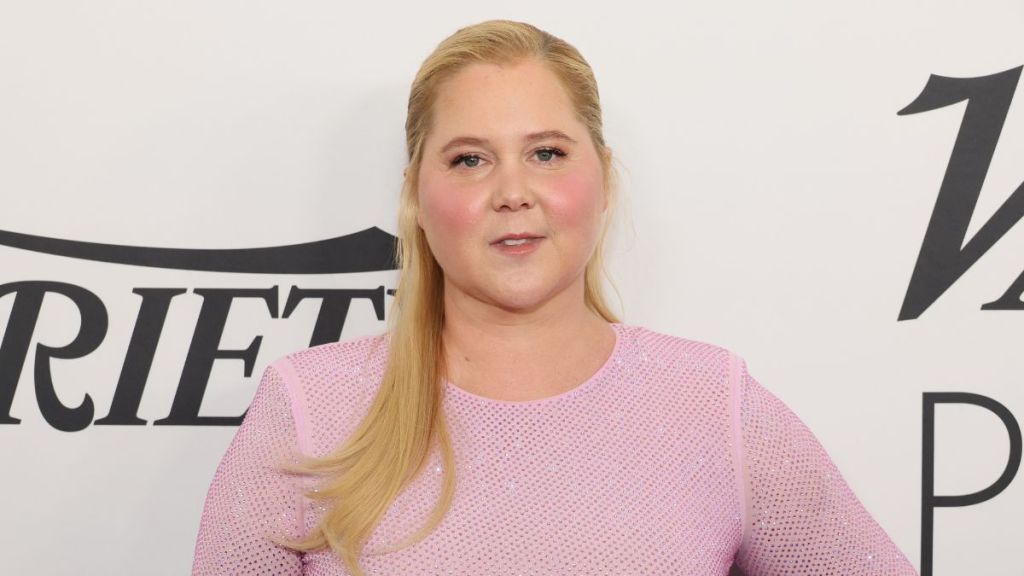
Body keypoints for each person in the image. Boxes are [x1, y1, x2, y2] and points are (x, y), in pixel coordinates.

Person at [192, 19, 919, 575]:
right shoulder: (311, 411)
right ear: (415, 196)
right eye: (469, 160)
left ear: (602, 178)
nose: (513, 192)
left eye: (546, 153)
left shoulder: (713, 405)